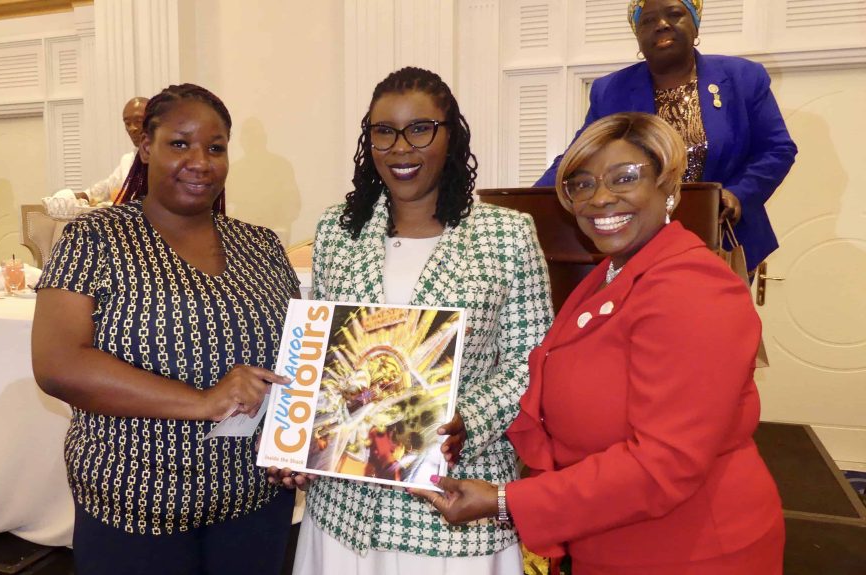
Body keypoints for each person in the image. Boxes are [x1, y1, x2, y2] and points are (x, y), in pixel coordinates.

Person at [418, 112, 784, 575]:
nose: (601, 198)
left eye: (625, 177)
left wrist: (506, 500)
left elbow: (663, 463)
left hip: (689, 550)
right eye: (582, 184)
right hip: (609, 538)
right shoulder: (611, 275)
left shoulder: (693, 289)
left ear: (668, 187)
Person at [273, 67, 554, 575]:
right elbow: (324, 355)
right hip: (345, 508)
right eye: (384, 132)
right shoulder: (338, 231)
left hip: (452, 508)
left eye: (420, 129)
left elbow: (531, 362)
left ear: (451, 136)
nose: (401, 148)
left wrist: (468, 419)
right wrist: (296, 441)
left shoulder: (507, 235)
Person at [32, 83, 298, 575]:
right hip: (136, 507)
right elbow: (58, 364)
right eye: (180, 143)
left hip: (255, 503)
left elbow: (300, 359)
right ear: (145, 147)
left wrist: (303, 444)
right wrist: (203, 401)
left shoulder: (261, 245)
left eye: (215, 148)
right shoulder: (95, 237)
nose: (200, 161)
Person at [536, 0, 796, 273]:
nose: (661, 25)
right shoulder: (611, 90)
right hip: (639, 242)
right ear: (637, 35)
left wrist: (739, 194)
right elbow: (579, 157)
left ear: (695, 24)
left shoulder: (741, 77)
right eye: (647, 21)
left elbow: (777, 149)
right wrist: (524, 205)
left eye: (674, 14)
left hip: (719, 238)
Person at [74, 96, 148, 205]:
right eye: (127, 123)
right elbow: (109, 187)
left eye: (139, 121)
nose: (132, 128)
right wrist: (83, 196)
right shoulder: (128, 160)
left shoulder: (167, 160)